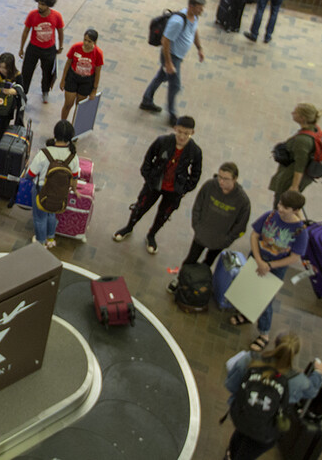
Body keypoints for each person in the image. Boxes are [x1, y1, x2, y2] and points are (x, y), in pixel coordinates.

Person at [223, 333, 322, 460]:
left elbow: (231, 385)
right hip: (267, 430)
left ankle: (230, 455)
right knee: (247, 453)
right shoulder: (298, 380)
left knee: (240, 436)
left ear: (275, 343)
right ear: (294, 353)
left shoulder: (250, 359)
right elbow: (311, 391)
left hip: (242, 415)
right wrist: (318, 373)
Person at [228, 190, 308, 353]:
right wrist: (258, 260)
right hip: (257, 259)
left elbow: (294, 257)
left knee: (264, 300)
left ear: (295, 210)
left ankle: (264, 334)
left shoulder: (300, 232)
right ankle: (246, 314)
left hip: (275, 268)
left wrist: (269, 266)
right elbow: (254, 236)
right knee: (249, 288)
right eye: (280, 204)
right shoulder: (270, 216)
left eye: (285, 207)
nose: (280, 208)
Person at [113, 116, 203, 254]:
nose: (182, 136)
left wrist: (184, 188)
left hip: (174, 190)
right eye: (180, 132)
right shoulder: (163, 141)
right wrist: (149, 177)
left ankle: (151, 235)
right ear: (175, 129)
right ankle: (129, 227)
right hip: (154, 184)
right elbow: (148, 158)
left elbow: (196, 173)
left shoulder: (195, 151)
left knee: (164, 215)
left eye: (187, 133)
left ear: (192, 133)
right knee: (140, 207)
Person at [166, 162, 251, 293]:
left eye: (225, 179)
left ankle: (197, 283)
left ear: (235, 179)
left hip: (219, 240)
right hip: (201, 234)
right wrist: (197, 227)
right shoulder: (210, 186)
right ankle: (180, 279)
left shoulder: (242, 201)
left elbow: (240, 226)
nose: (221, 181)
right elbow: (197, 206)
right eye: (220, 177)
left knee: (207, 263)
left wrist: (226, 240)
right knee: (191, 258)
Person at [140, 0, 206, 126]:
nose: (201, 11)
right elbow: (165, 41)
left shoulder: (194, 17)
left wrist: (199, 48)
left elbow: (194, 31)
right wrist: (168, 63)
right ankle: (172, 115)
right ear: (191, 6)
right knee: (175, 85)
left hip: (177, 57)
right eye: (199, 8)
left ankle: (146, 100)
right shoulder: (178, 22)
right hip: (171, 56)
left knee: (161, 76)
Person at [25, 120, 80, 249]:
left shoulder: (44, 153)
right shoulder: (73, 156)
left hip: (41, 190)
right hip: (61, 192)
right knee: (52, 214)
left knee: (40, 217)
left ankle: (41, 242)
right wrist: (75, 189)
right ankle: (51, 238)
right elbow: (75, 177)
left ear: (55, 134)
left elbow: (30, 175)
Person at [268, 103, 322, 207]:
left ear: (302, 118)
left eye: (295, 112)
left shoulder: (302, 141)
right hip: (296, 175)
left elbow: (300, 166)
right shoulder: (313, 129)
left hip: (289, 179)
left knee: (281, 205)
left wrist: (294, 187)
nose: (292, 113)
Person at [18, 0, 65, 104]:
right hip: (33, 48)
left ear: (49, 5)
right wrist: (21, 48)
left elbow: (60, 32)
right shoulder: (32, 15)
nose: (39, 6)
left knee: (47, 72)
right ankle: (23, 94)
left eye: (43, 4)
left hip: (49, 49)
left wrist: (60, 46)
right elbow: (25, 32)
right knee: (26, 72)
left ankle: (45, 91)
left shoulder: (56, 16)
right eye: (39, 3)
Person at [59, 28, 104, 121]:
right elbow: (67, 64)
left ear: (94, 42)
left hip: (87, 81)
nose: (86, 43)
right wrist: (63, 80)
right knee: (68, 104)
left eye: (89, 41)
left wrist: (94, 90)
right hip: (73, 77)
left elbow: (97, 73)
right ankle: (62, 124)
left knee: (79, 107)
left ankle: (74, 129)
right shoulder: (75, 48)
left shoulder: (98, 53)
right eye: (85, 40)